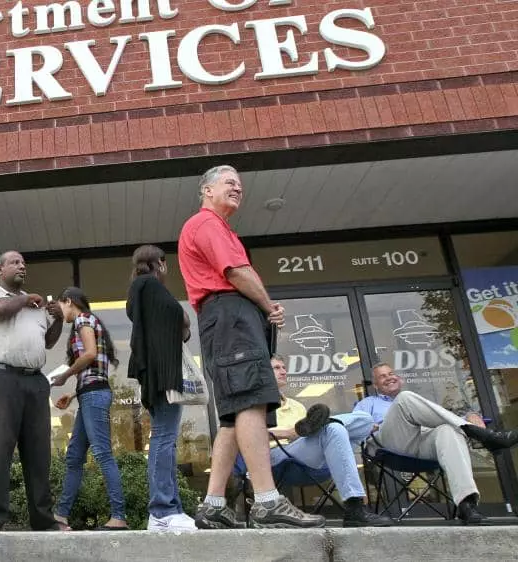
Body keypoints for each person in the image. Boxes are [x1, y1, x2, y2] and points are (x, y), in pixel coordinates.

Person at [178, 165, 324, 529]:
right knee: (249, 401)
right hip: (230, 316)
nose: (238, 188)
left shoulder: (217, 226)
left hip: (226, 319)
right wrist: (268, 305)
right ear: (206, 190)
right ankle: (268, 500)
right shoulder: (206, 223)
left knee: (233, 415)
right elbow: (235, 272)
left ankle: (212, 504)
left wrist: (261, 307)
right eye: (229, 183)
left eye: (240, 185)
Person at [353, 363, 518, 525]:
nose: (389, 378)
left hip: (422, 442)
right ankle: (485, 436)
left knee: (447, 429)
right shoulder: (368, 403)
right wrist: (367, 425)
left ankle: (466, 504)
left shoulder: (418, 401)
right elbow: (354, 427)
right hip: (389, 445)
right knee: (405, 398)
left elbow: (443, 415)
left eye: (390, 373)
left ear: (399, 378)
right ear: (375, 385)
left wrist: (470, 414)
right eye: (382, 376)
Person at [0, 250, 65, 532]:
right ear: (0, 268)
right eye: (15, 262)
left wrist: (59, 319)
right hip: (2, 378)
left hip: (35, 382)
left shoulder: (37, 308)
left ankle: (43, 520)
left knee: (39, 454)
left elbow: (48, 343)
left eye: (23, 263)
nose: (22, 266)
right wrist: (25, 299)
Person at [268, 355, 392, 527]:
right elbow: (251, 436)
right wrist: (289, 432)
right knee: (335, 428)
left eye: (283, 367)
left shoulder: (297, 406)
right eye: (277, 368)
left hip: (308, 453)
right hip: (276, 456)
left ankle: (354, 509)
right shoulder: (257, 404)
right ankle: (355, 508)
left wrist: (302, 432)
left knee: (363, 420)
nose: (283, 371)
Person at [125, 245, 197, 533]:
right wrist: (185, 323)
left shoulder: (138, 288)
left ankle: (170, 508)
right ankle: (162, 509)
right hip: (163, 375)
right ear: (161, 264)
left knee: (165, 437)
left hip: (154, 375)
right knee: (165, 438)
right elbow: (180, 318)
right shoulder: (151, 286)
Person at [51, 287, 127, 531]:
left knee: (103, 453)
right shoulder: (92, 321)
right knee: (74, 456)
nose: (62, 313)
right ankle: (61, 515)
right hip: (89, 394)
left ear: (69, 302)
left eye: (61, 306)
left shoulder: (83, 319)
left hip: (94, 395)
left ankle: (119, 516)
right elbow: (95, 369)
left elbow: (90, 354)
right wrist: (73, 393)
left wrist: (65, 375)